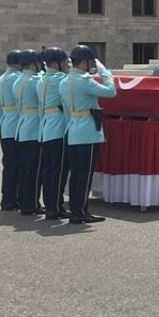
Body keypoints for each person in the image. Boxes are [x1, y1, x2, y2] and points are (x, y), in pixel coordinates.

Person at [60, 45, 117, 224]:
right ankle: (80, 212)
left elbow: (67, 110)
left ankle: (77, 209)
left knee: (77, 173)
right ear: (84, 62)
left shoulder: (64, 81)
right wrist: (106, 73)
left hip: (72, 129)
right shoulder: (84, 80)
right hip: (87, 132)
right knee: (85, 174)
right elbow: (111, 92)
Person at [36, 47, 71, 220]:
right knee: (59, 171)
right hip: (58, 127)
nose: (66, 64)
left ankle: (52, 205)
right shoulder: (61, 80)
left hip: (46, 127)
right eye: (64, 61)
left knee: (49, 170)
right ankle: (55, 207)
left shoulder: (41, 80)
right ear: (57, 63)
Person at [14, 50, 45, 216]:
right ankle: (32, 204)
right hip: (34, 129)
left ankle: (25, 202)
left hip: (22, 125)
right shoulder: (35, 81)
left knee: (26, 169)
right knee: (34, 170)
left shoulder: (18, 80)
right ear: (33, 64)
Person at [0, 50, 22, 211]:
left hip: (5, 123)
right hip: (16, 125)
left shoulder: (1, 79)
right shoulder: (17, 78)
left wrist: (3, 121)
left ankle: (7, 197)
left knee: (9, 164)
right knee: (17, 165)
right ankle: (13, 198)